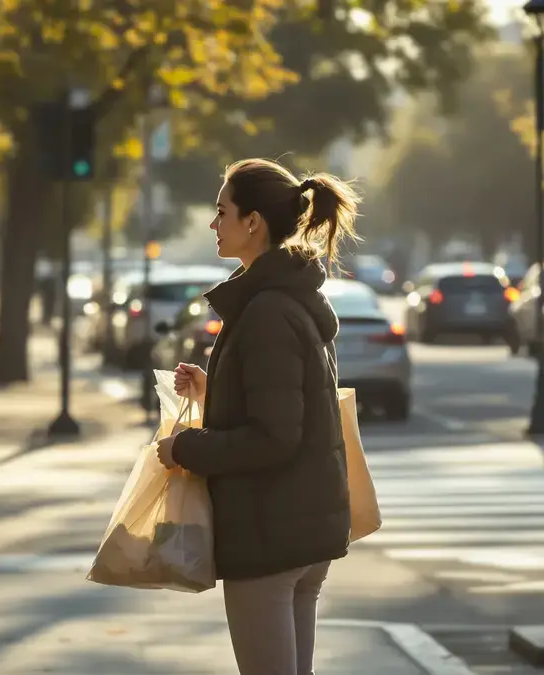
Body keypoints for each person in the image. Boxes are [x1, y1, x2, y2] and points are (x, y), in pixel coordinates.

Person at [155, 158, 359, 675]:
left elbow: (274, 437)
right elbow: (288, 404)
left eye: (221, 211)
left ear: (253, 223)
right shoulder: (289, 300)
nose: (213, 223)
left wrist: (184, 449)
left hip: (272, 532)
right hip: (300, 529)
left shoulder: (267, 311)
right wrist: (212, 390)